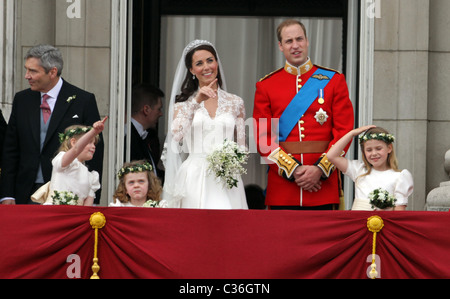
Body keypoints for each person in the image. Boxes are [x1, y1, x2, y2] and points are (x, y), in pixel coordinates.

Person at [253, 19, 354, 210]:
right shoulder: (266, 85)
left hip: (322, 187)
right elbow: (263, 139)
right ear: (280, 46)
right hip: (283, 189)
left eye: (299, 39)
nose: (295, 45)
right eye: (289, 41)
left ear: (307, 41)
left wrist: (320, 169)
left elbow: (344, 132)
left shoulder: (334, 81)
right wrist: (294, 170)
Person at [0, 44, 104, 205]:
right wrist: (7, 194)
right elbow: (10, 148)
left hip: (67, 193)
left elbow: (95, 149)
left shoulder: (83, 100)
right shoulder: (22, 100)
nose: (27, 76)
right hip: (25, 191)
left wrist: (92, 198)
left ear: (52, 72)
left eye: (33, 71)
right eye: (26, 69)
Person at [162, 39, 248, 209]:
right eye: (199, 63)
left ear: (217, 62)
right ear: (192, 70)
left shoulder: (236, 102)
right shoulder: (181, 105)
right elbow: (177, 136)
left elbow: (242, 146)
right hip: (194, 175)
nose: (207, 67)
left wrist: (229, 160)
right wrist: (196, 101)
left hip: (226, 177)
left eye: (210, 60)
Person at [327, 126, 414, 211]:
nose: (374, 153)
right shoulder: (359, 170)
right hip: (358, 222)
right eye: (369, 150)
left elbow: (399, 211)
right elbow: (331, 156)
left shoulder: (400, 176)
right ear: (364, 152)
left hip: (382, 223)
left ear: (389, 148)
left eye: (378, 149)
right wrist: (352, 134)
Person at [31, 118, 107, 206]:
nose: (93, 146)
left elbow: (87, 209)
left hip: (75, 216)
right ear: (73, 142)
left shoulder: (91, 177)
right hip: (55, 212)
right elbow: (76, 150)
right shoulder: (63, 161)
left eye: (94, 143)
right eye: (89, 142)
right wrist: (93, 132)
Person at [127, 83, 165, 182]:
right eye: (159, 109)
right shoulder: (128, 137)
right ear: (146, 109)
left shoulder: (141, 135)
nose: (161, 114)